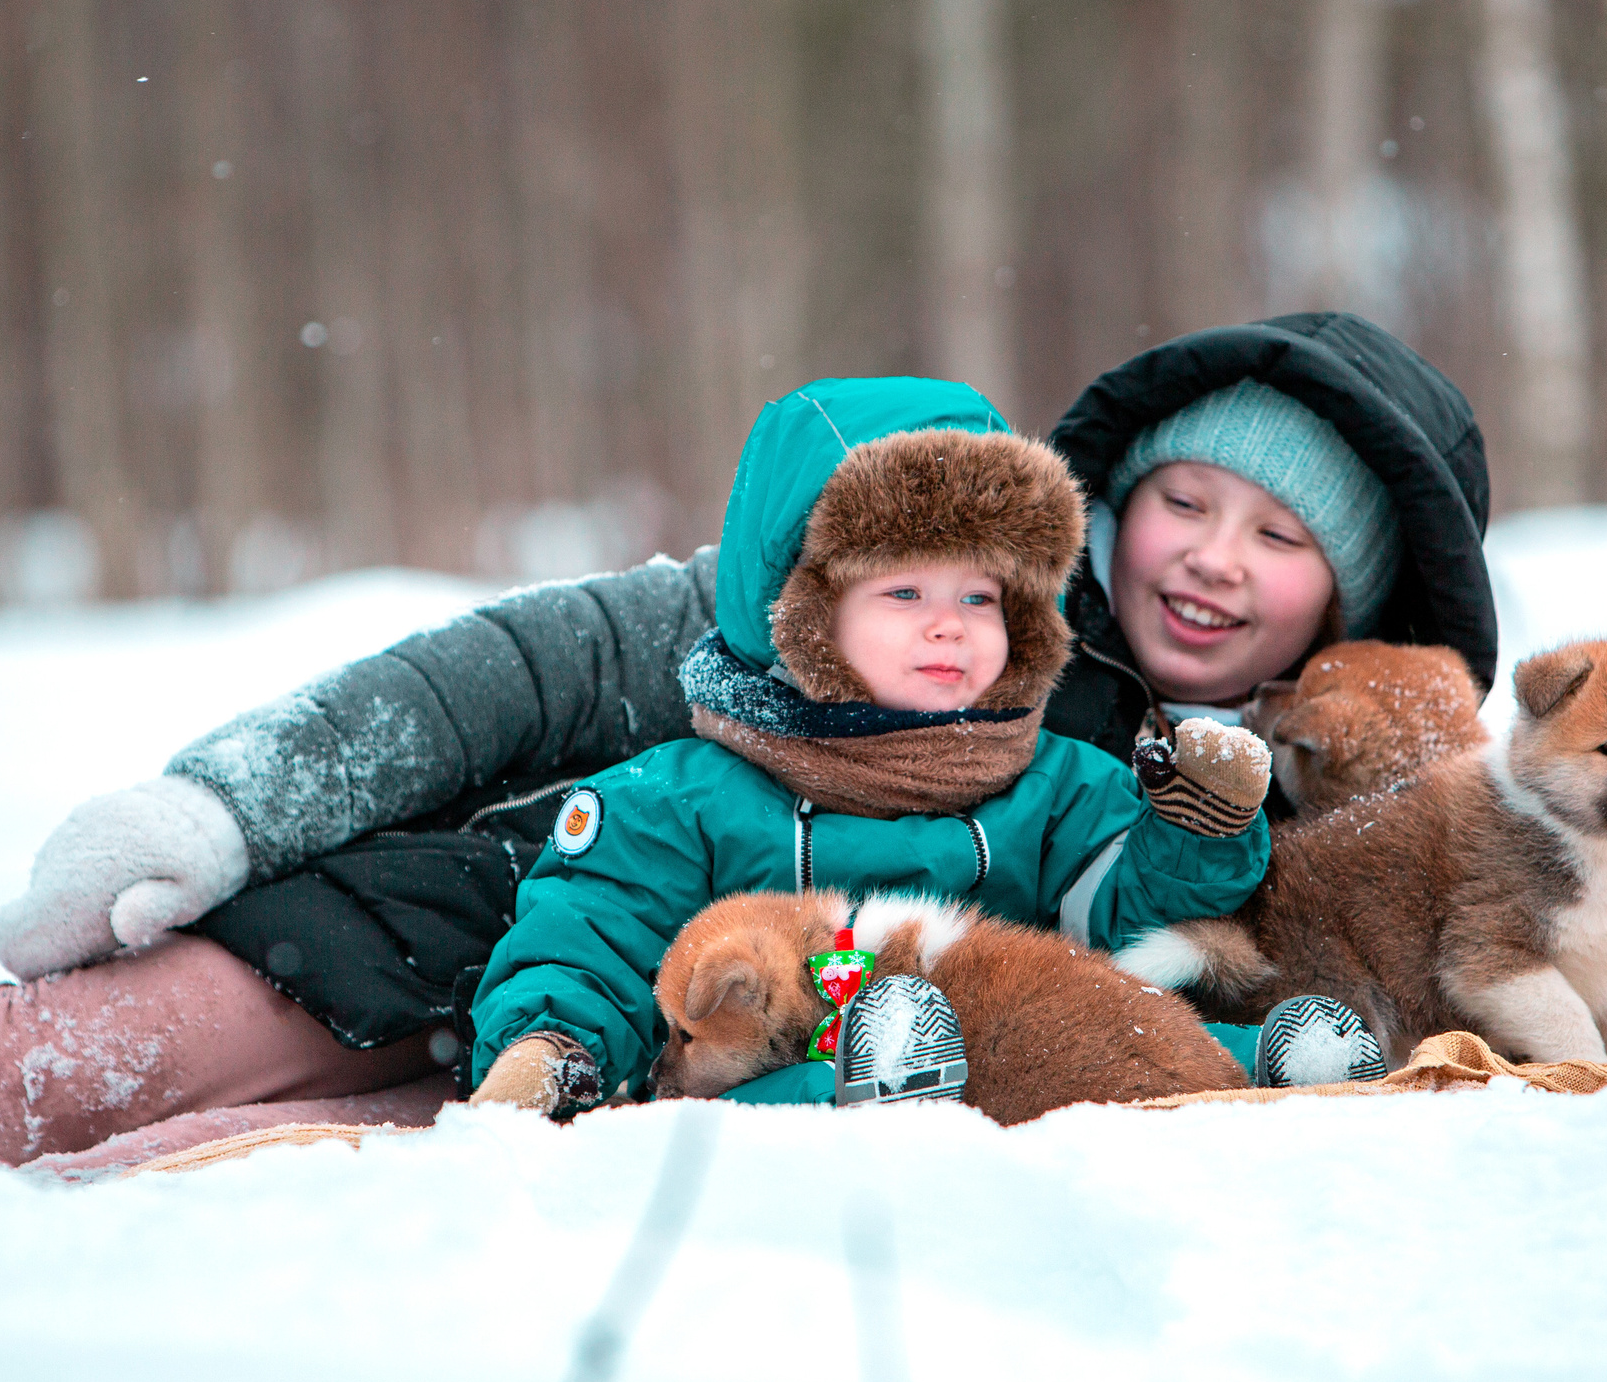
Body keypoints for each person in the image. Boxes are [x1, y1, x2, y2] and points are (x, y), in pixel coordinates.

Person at [0, 313, 1607, 1169]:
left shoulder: (1367, 786)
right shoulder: (903, 573)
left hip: (732, 1055)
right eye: (1183, 498)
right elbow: (516, 667)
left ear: (1356, 596)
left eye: (1280, 537)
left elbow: (1606, 896)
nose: (1204, 560)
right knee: (3, 1084)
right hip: (493, 913)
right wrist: (223, 798)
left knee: (150, 1190)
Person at [464, 375, 1360, 1118]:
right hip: (802, 1083)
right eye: (903, 593)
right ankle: (872, 1079)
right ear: (805, 612)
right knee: (786, 1090)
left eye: (979, 597)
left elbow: (1130, 927)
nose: (948, 626)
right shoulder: (688, 796)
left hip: (1027, 1052)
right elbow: (597, 930)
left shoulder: (1059, 784)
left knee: (1139, 1034)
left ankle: (1279, 1057)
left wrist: (1194, 832)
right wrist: (556, 1044)